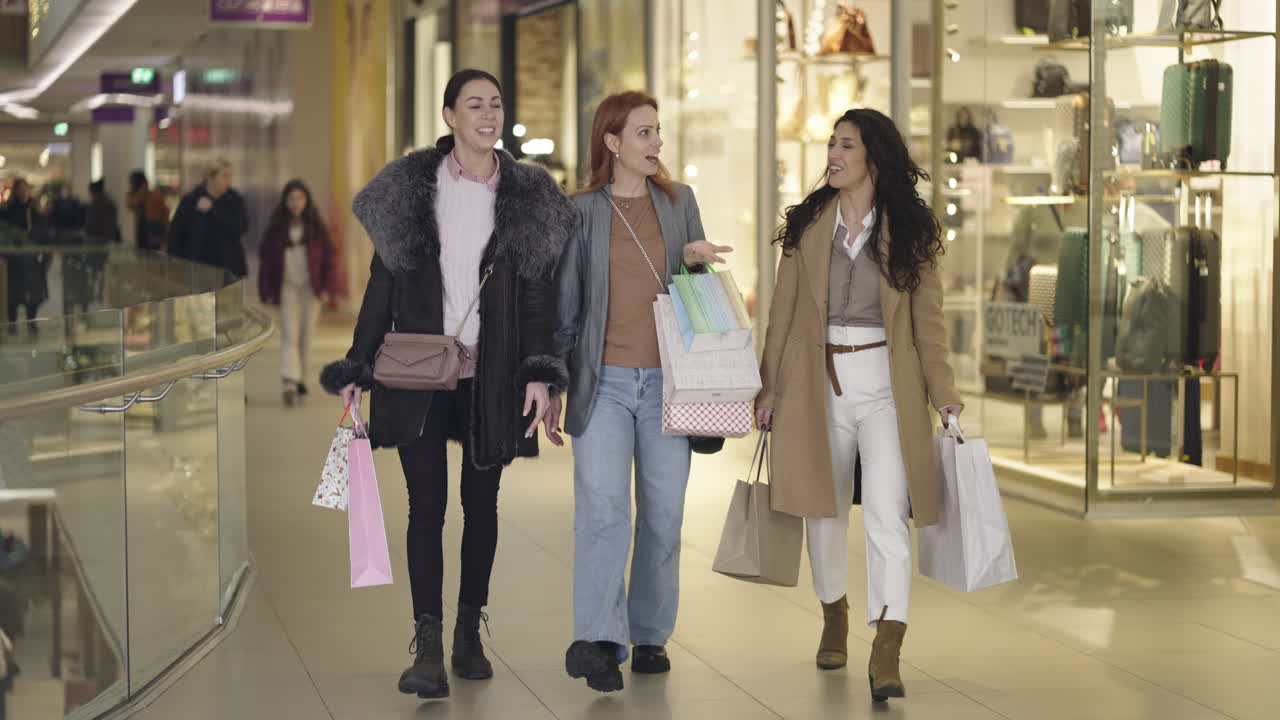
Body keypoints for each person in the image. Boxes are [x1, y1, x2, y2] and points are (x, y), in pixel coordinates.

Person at [319, 69, 572, 701]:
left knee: (481, 505)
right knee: (425, 506)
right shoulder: (411, 188)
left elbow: (537, 292)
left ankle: (468, 632)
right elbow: (384, 287)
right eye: (474, 105)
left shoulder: (529, 193)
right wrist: (356, 367)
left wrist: (540, 372)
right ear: (449, 115)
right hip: (418, 368)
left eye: (495, 104)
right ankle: (427, 642)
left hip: (494, 371)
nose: (488, 114)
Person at [754, 108, 963, 703]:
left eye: (846, 144)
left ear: (874, 156)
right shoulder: (809, 224)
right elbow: (783, 316)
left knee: (885, 513)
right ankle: (834, 614)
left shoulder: (911, 231)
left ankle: (888, 645)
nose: (833, 153)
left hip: (886, 384)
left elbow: (930, 326)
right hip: (816, 384)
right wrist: (769, 388)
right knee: (822, 509)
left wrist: (944, 394)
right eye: (831, 143)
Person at [552, 91, 730, 694]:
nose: (657, 143)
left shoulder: (680, 205)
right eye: (645, 133)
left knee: (664, 512)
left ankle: (650, 631)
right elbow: (567, 303)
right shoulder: (580, 211)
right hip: (601, 381)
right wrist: (553, 377)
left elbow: (698, 295)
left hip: (668, 386)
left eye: (659, 132)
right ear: (612, 142)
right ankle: (602, 638)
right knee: (604, 512)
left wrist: (694, 263)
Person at [258, 179, 341, 406]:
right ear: (285, 202)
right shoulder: (276, 229)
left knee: (305, 337)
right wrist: (266, 290)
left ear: (307, 201)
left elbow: (330, 259)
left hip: (310, 289)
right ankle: (289, 380)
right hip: (287, 288)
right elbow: (266, 261)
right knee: (289, 334)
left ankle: (299, 377)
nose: (295, 203)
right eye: (291, 199)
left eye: (300, 199)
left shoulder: (316, 228)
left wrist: (327, 288)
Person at [168, 159, 249, 276]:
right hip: (198, 268)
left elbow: (240, 227)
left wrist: (213, 210)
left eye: (230, 176)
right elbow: (176, 235)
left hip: (228, 269)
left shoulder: (234, 200)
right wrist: (175, 266)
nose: (229, 181)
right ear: (210, 177)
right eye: (225, 176)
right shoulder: (190, 200)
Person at [127, 170, 169, 251]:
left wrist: (166, 231)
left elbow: (165, 213)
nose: (131, 185)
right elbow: (132, 205)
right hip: (141, 228)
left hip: (154, 228)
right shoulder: (133, 194)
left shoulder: (155, 195)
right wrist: (141, 192)